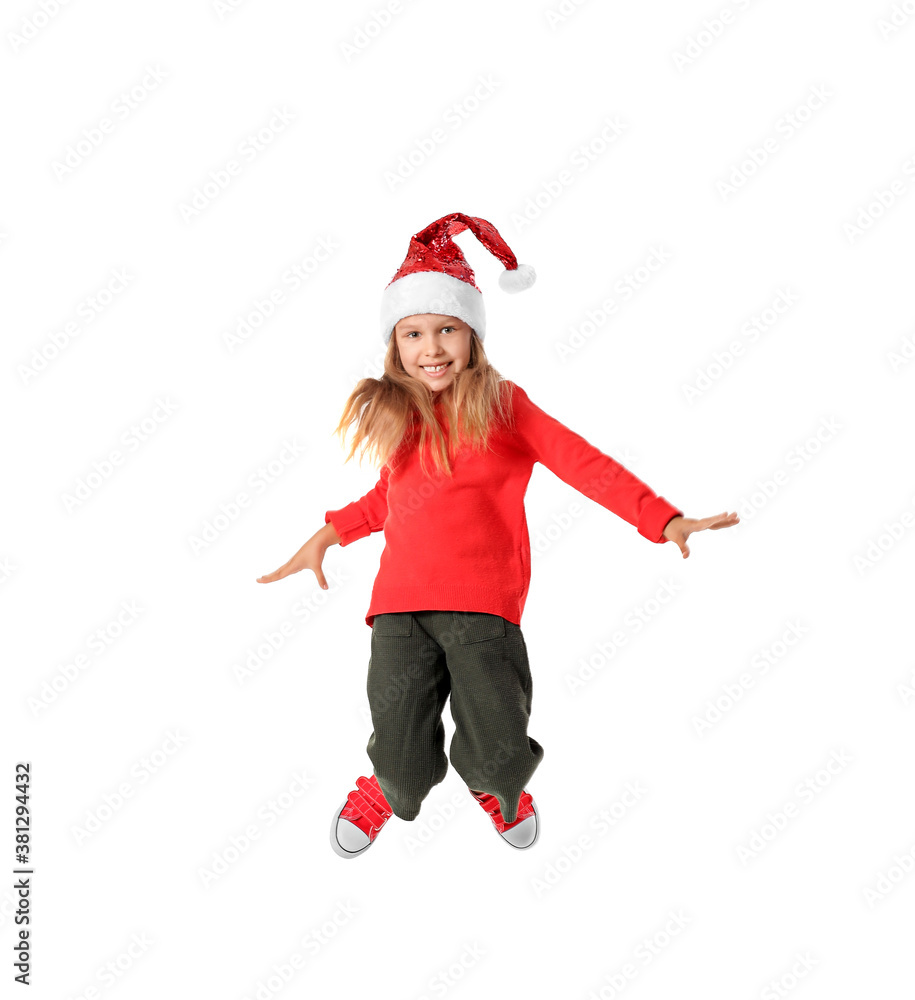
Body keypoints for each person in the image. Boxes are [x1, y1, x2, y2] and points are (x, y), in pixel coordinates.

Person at [257, 212, 738, 859]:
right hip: (399, 612)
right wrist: (331, 532)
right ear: (394, 346)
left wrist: (662, 518)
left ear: (473, 334)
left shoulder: (504, 405)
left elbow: (583, 464)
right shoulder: (403, 418)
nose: (431, 347)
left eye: (447, 329)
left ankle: (498, 789)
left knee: (500, 752)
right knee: (398, 753)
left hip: (482, 611)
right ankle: (388, 790)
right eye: (414, 333)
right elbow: (392, 499)